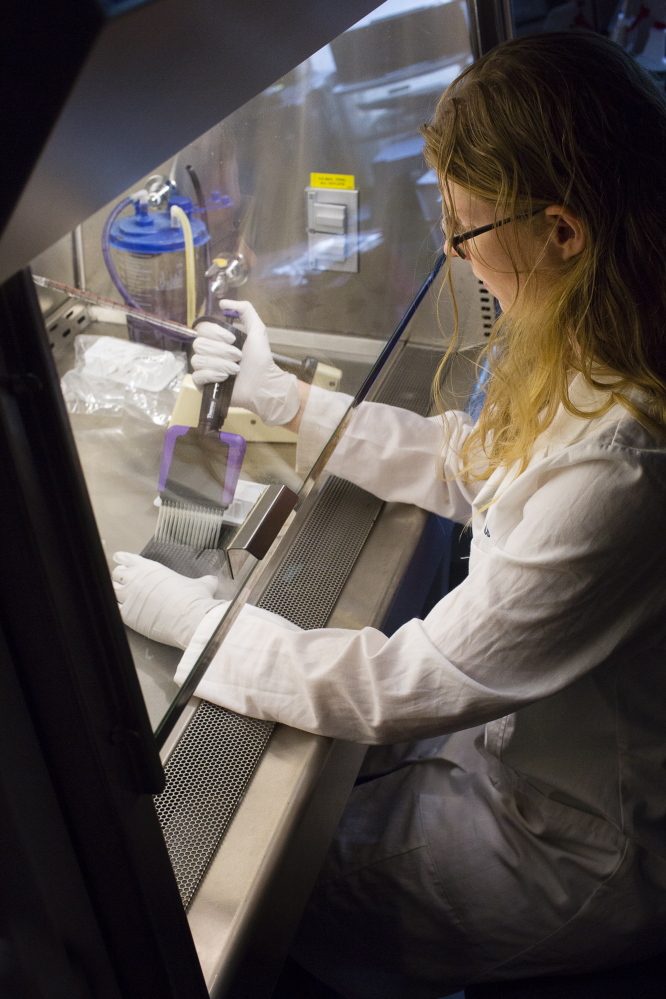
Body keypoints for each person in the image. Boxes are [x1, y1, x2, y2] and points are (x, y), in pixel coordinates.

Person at [112, 32, 666, 998]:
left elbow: (409, 681)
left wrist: (200, 628)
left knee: (205, 905)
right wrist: (286, 400)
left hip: (572, 845)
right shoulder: (611, 325)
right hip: (513, 752)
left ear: (564, 230)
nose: (457, 256)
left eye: (466, 232)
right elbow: (473, 460)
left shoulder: (625, 468)